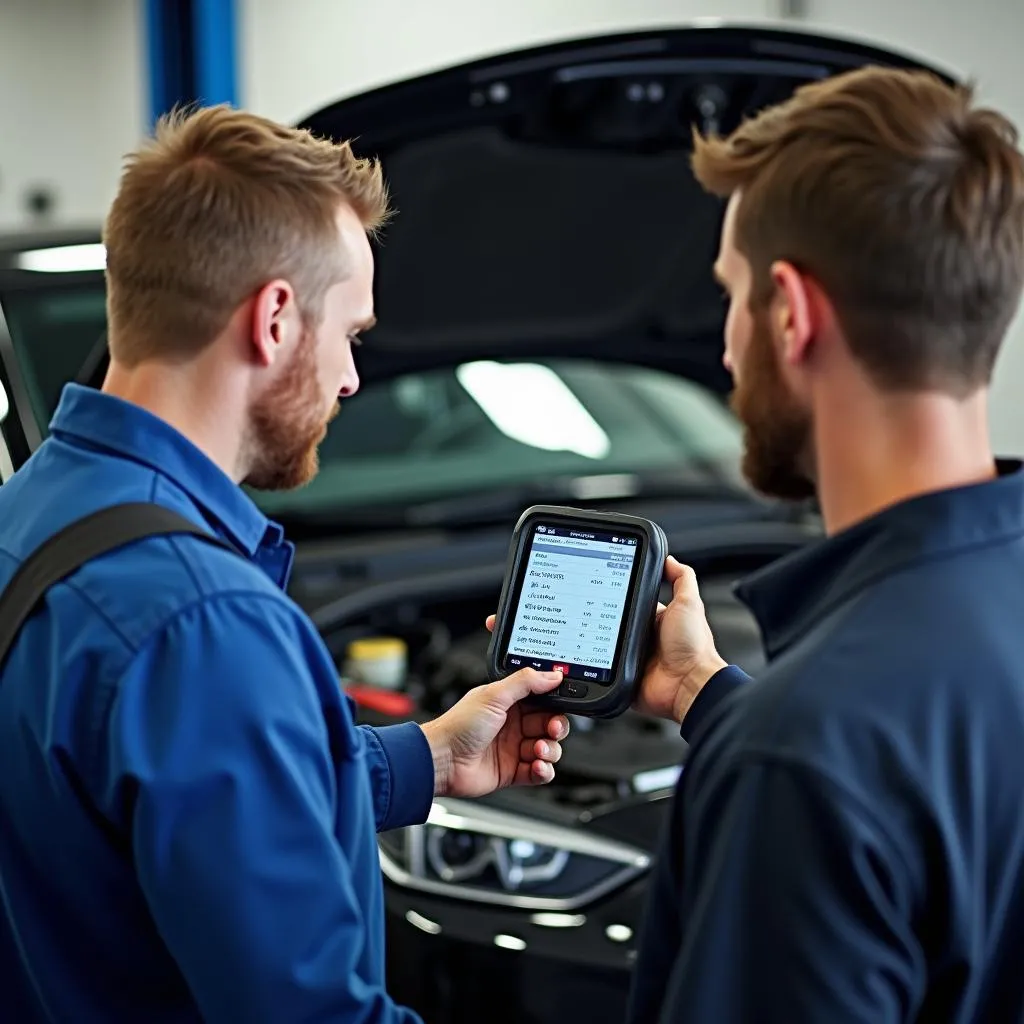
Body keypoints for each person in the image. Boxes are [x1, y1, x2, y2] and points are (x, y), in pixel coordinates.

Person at [0, 107, 576, 1023]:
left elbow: (160, 794)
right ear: (273, 319)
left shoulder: (26, 518)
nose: (353, 379)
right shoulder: (203, 621)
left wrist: (425, 756)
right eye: (351, 333)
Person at [619, 65, 1024, 1022]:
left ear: (792, 314)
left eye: (731, 295)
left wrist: (765, 745)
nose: (721, 345)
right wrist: (714, 701)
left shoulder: (804, 753)